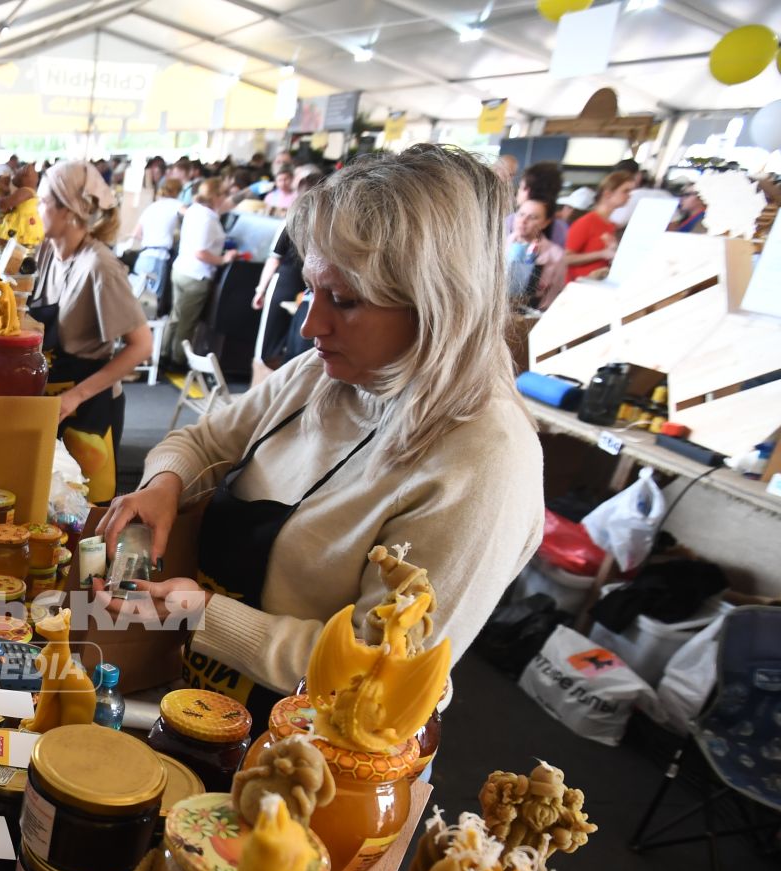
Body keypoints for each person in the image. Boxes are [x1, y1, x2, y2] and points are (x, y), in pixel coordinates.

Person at [97, 145, 544, 716]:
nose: (311, 326)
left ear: (439, 304)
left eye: (346, 300)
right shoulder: (327, 373)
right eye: (313, 290)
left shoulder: (483, 460)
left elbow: (379, 678)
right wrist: (163, 484)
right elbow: (203, 442)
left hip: (318, 750)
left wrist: (203, 615)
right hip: (211, 701)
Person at [28, 160, 154, 504]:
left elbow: (141, 345)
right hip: (54, 403)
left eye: (42, 201)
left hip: (88, 408)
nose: (35, 209)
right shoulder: (47, 252)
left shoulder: (99, 266)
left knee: (85, 512)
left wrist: (75, 397)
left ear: (69, 210)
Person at [251, 167, 326, 366]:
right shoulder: (319, 225)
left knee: (272, 345)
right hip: (299, 286)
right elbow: (274, 258)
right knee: (285, 345)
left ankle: (268, 386)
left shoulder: (296, 221)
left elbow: (274, 258)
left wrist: (261, 289)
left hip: (291, 285)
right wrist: (261, 289)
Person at [168, 178, 238, 363]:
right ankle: (178, 359)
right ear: (215, 196)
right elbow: (201, 252)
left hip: (181, 269)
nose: (226, 198)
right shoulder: (207, 218)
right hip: (196, 275)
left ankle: (165, 353)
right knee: (187, 323)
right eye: (224, 194)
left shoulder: (194, 210)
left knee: (176, 316)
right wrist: (224, 259)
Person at [564, 171, 632, 283]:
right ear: (608, 194)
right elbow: (566, 258)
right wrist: (602, 254)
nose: (629, 196)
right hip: (578, 287)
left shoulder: (611, 225)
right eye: (625, 191)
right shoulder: (587, 222)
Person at [129, 175, 183, 310]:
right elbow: (192, 216)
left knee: (136, 301)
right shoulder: (177, 205)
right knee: (151, 307)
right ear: (177, 192)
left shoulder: (151, 207)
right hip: (158, 258)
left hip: (143, 257)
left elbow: (136, 234)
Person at [506, 197, 567, 311]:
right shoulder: (498, 247)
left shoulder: (556, 255)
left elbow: (552, 296)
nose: (523, 221)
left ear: (545, 223)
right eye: (521, 214)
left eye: (533, 217)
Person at [508, 163, 568, 247]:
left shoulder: (512, 221)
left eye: (520, 187)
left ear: (527, 190)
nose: (518, 192)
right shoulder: (561, 228)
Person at [0, 164, 45, 246]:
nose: (12, 176)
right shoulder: (28, 192)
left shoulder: (25, 191)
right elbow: (9, 208)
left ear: (24, 176)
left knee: (1, 238)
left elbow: (4, 203)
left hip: (23, 229)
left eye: (15, 173)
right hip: (23, 226)